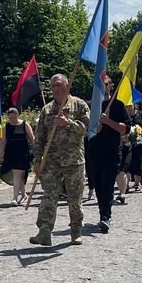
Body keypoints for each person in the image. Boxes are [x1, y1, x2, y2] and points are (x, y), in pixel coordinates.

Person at [30, 74, 90, 247]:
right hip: (51, 162)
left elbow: (88, 128)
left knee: (74, 198)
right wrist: (37, 159)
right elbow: (39, 137)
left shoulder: (79, 105)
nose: (55, 89)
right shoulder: (47, 110)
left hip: (74, 161)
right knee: (49, 195)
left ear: (66, 86)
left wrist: (68, 123)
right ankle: (44, 231)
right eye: (53, 86)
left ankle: (76, 231)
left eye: (58, 85)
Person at [89, 75, 130, 232]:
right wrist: (94, 128)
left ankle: (106, 216)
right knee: (98, 184)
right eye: (99, 84)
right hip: (94, 151)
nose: (103, 87)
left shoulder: (118, 105)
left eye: (105, 84)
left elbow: (125, 128)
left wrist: (108, 122)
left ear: (111, 86)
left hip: (112, 150)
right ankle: (102, 212)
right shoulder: (92, 106)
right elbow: (84, 127)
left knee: (107, 183)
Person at [0, 107, 34, 205]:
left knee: (18, 174)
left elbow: (32, 138)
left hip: (23, 152)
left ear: (18, 115)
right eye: (10, 118)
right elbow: (3, 140)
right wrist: (1, 153)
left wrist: (38, 151)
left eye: (14, 117)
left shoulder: (25, 124)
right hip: (11, 152)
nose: (13, 120)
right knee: (18, 175)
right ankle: (22, 195)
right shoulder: (6, 127)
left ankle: (16, 197)